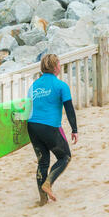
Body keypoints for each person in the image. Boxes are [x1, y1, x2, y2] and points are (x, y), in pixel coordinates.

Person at [27, 54, 78, 206]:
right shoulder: (61, 86)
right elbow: (69, 110)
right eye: (59, 64)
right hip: (48, 127)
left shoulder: (33, 86)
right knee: (65, 157)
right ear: (56, 67)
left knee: (43, 162)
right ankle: (48, 183)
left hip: (32, 127)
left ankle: (43, 199)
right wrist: (74, 129)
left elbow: (27, 109)